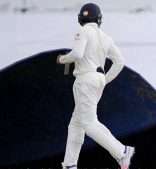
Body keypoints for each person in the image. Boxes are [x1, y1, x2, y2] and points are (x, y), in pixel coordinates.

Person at [56, 3, 135, 169]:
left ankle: (122, 151)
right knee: (76, 124)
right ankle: (70, 164)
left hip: (85, 79)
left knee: (89, 123)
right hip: (97, 79)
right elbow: (120, 61)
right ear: (98, 19)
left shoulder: (82, 31)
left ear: (81, 18)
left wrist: (62, 59)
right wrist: (105, 80)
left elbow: (77, 54)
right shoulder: (106, 37)